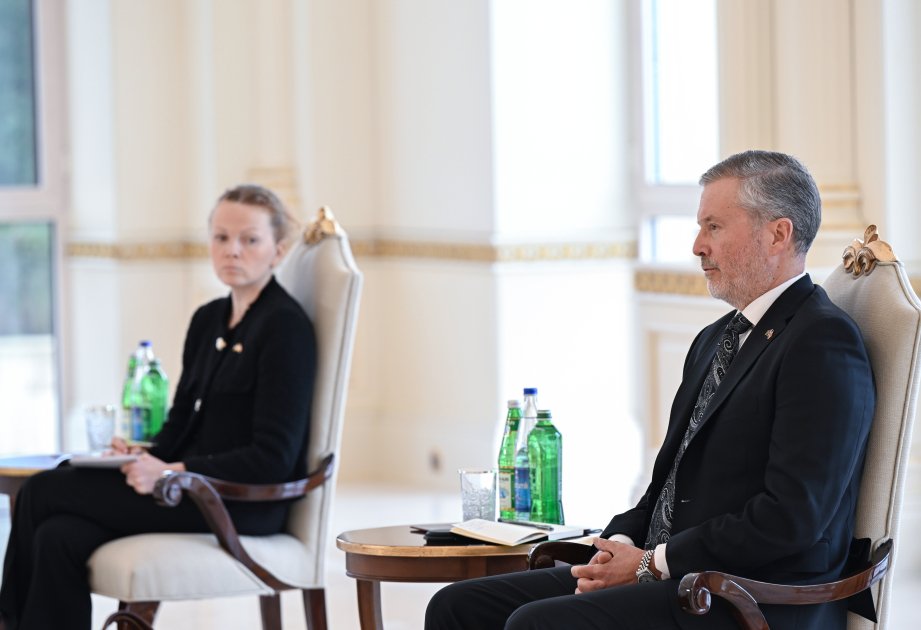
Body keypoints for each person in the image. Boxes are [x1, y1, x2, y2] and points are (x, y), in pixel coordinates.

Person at [425, 150, 876, 630]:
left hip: (748, 596)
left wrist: (651, 563)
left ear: (778, 234)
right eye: (700, 227)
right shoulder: (714, 339)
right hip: (676, 575)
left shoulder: (820, 342)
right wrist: (619, 545)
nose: (698, 246)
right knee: (457, 607)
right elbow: (668, 486)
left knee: (535, 624)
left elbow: (792, 518)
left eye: (714, 227)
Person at [0, 184, 317, 629]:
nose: (232, 250)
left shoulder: (285, 328)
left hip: (236, 502)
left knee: (42, 490)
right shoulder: (208, 319)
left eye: (250, 239)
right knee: (58, 537)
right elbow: (182, 419)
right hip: (183, 487)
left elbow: (273, 458)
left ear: (278, 250)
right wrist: (140, 455)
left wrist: (171, 471)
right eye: (221, 237)